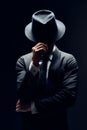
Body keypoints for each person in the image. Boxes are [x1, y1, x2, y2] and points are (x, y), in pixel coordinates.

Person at [16, 10, 79, 130]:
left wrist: (33, 106)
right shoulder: (23, 61)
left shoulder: (68, 60)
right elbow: (23, 97)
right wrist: (34, 64)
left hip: (58, 126)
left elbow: (68, 97)